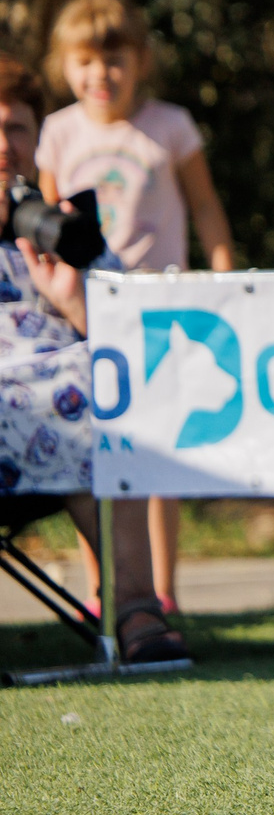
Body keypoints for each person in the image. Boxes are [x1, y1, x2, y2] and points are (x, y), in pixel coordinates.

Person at [36, 0, 236, 619]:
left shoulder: (170, 127)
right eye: (87, 61)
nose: (102, 74)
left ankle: (160, 591)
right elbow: (40, 222)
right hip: (85, 312)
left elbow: (205, 205)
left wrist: (225, 274)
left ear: (141, 62)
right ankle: (106, 590)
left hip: (163, 313)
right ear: (66, 66)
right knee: (100, 456)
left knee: (157, 457)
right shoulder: (57, 133)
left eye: (115, 59)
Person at [0, 53, 185, 662]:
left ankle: (133, 610)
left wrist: (73, 299)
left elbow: (135, 340)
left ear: (37, 138)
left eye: (16, 128)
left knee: (107, 386)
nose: (4, 146)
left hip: (76, 405)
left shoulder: (67, 229)